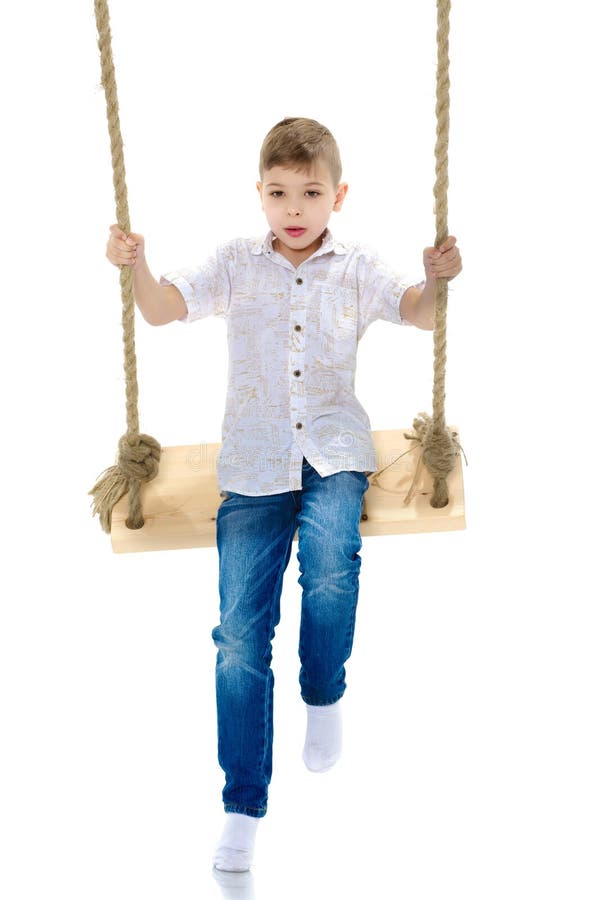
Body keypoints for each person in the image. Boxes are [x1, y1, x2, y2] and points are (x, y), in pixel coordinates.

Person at [105, 117, 463, 873]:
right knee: (238, 638)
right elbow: (165, 308)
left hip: (334, 449)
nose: (293, 207)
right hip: (254, 463)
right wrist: (135, 267)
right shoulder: (237, 262)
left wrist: (437, 279)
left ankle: (323, 689)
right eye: (278, 193)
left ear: (339, 195)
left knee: (333, 555)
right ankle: (242, 805)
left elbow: (419, 314)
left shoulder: (355, 264)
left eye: (309, 192)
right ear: (259, 195)